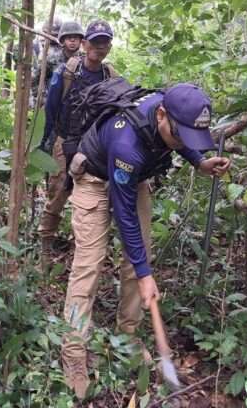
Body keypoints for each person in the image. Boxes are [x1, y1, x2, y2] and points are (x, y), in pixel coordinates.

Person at [60, 83, 231, 398]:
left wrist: (199, 161)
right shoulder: (127, 143)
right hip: (94, 178)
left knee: (139, 259)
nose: (183, 141)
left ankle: (128, 336)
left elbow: (179, 138)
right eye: (181, 135)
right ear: (161, 115)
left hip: (134, 178)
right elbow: (124, 214)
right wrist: (144, 274)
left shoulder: (173, 115)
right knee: (89, 266)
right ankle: (73, 353)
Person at [36, 20, 118, 256]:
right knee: (58, 193)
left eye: (104, 43)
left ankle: (83, 247)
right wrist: (45, 144)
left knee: (92, 197)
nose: (99, 47)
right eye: (95, 42)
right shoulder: (67, 72)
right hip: (65, 141)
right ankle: (45, 245)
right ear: (85, 44)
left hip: (96, 147)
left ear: (109, 47)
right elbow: (51, 109)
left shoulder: (110, 75)